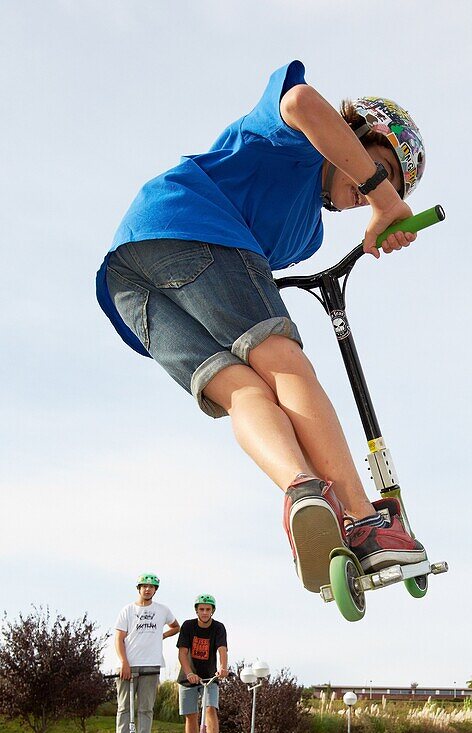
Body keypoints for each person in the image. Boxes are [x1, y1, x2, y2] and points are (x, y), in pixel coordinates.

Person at [96, 61, 429, 593]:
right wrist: (386, 199)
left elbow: (233, 288)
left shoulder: (307, 235)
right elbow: (300, 103)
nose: (373, 192)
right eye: (380, 170)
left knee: (243, 390)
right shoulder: (298, 141)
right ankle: (365, 522)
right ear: (357, 135)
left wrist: (378, 212)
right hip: (185, 220)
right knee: (283, 360)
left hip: (131, 283)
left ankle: (303, 492)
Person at [112, 574, 180, 733]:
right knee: (124, 706)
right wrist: (124, 662)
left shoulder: (162, 610)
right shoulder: (128, 610)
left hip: (151, 664)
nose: (148, 589)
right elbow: (118, 638)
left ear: (155, 590)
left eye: (151, 587)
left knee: (146, 707)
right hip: (128, 665)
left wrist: (162, 636)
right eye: (144, 586)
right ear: (139, 588)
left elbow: (176, 626)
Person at [177, 594, 229, 733]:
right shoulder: (188, 626)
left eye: (208, 609)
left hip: (209, 678)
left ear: (212, 611)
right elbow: (182, 653)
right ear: (197, 610)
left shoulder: (218, 627)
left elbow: (222, 650)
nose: (205, 613)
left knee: (210, 708)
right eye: (202, 609)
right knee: (191, 715)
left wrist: (223, 668)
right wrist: (189, 673)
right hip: (188, 678)